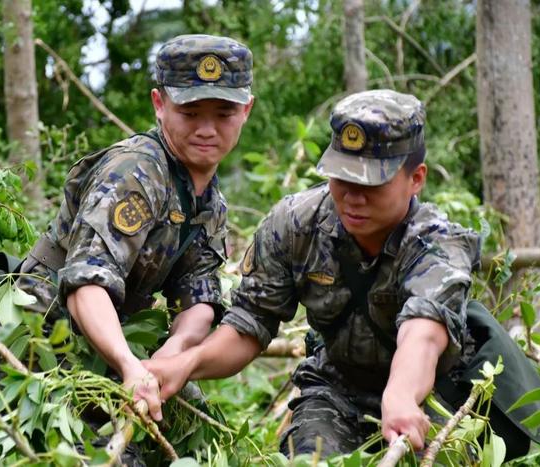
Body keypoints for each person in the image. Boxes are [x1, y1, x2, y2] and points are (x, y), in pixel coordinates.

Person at [144, 89, 482, 457]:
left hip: (431, 396)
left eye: (371, 184)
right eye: (342, 178)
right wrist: (184, 363)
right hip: (336, 391)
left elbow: (423, 334)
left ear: (415, 178)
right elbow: (250, 323)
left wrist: (401, 395)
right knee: (309, 457)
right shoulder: (295, 224)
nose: (353, 197)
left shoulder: (439, 243)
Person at [16, 34, 254, 426]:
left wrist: (171, 355)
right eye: (191, 113)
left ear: (246, 111)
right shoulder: (135, 172)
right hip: (41, 339)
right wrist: (129, 365)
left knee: (199, 425)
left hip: (111, 344)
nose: (207, 129)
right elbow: (85, 283)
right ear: (160, 105)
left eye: (224, 114)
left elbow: (197, 296)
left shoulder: (209, 200)